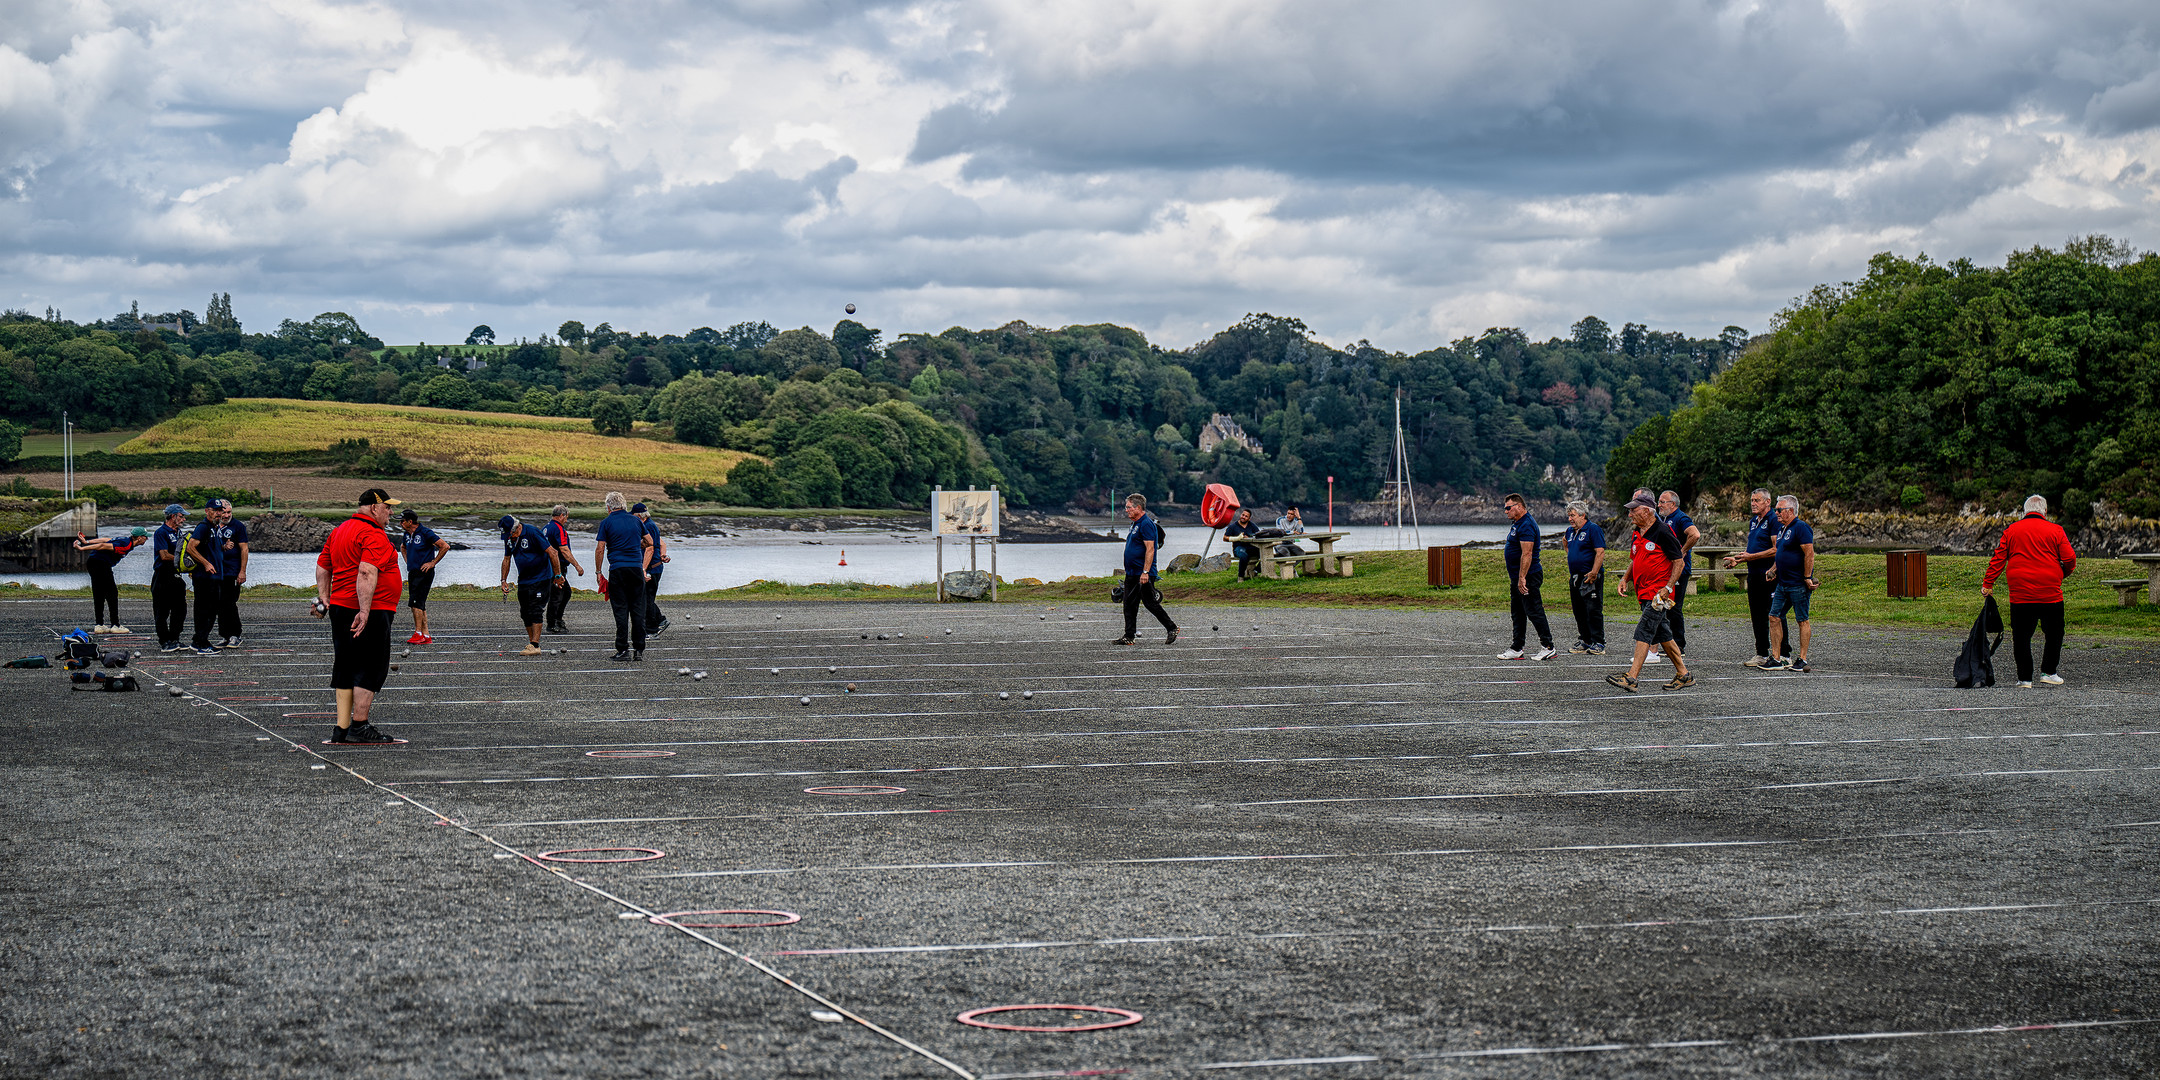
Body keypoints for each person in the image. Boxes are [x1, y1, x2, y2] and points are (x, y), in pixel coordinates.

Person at [315, 489, 402, 743]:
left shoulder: (340, 529)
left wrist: (324, 597)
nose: (391, 512)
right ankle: (359, 725)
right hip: (370, 609)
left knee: (346, 664)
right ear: (374, 508)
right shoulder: (372, 533)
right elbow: (366, 572)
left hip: (341, 606)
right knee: (372, 665)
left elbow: (323, 565)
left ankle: (341, 728)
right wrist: (364, 610)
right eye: (388, 507)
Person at [1983, 494, 2077, 688]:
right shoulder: (2056, 530)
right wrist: (2062, 574)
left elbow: (1998, 559)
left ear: (2024, 511)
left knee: (2021, 635)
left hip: (2021, 592)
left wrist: (1988, 583)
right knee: (2054, 632)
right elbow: (2070, 559)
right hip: (2050, 591)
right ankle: (2049, 672)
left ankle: (2024, 678)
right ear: (2045, 511)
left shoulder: (2012, 530)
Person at [1605, 493, 1693, 692]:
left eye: (1633, 510)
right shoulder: (1638, 531)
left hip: (1658, 594)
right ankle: (1683, 674)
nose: (1630, 515)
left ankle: (1631, 677)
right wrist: (1625, 578)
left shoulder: (1663, 531)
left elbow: (1678, 561)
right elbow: (1636, 559)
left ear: (1647, 511)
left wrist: (1668, 588)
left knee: (1644, 631)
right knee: (1664, 634)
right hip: (1644, 592)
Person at [1722, 489, 1788, 667]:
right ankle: (1761, 652)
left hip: (1770, 574)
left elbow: (1776, 548)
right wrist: (1738, 559)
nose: (1753, 503)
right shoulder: (1754, 521)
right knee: (1757, 614)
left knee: (1775, 613)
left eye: (1757, 500)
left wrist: (1751, 557)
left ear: (1768, 502)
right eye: (1752, 500)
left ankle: (1784, 652)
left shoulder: (1774, 520)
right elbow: (1752, 549)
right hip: (1754, 574)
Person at [592, 492, 654, 661]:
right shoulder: (636, 520)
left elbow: (600, 548)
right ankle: (639, 649)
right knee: (638, 609)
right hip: (635, 569)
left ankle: (623, 649)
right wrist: (636, 544)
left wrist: (598, 572)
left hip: (618, 569)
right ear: (624, 505)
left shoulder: (606, 522)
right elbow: (649, 542)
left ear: (608, 507)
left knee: (620, 610)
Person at [1497, 493, 1556, 660]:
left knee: (1534, 610)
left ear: (1519, 506)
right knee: (1518, 612)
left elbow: (1527, 553)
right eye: (1505, 508)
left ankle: (1548, 646)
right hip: (1517, 576)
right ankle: (1517, 647)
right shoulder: (1517, 524)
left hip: (1528, 576)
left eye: (1508, 508)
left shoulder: (1527, 525)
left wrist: (1522, 577)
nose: (1506, 511)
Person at [1113, 493, 1178, 646]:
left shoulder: (1146, 524)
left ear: (1138, 507)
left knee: (1150, 603)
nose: (1126, 510)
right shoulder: (1135, 523)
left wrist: (1146, 572)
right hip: (1132, 572)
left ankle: (1172, 627)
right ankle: (1129, 636)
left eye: (1129, 507)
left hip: (1142, 573)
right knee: (1129, 603)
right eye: (1126, 507)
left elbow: (1150, 549)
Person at [187, 498, 248, 653]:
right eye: (218, 511)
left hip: (223, 574)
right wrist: (204, 564)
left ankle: (219, 637)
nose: (221, 514)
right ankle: (202, 642)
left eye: (223, 511)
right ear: (207, 511)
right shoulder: (204, 527)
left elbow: (213, 547)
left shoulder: (220, 528)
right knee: (206, 609)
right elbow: (191, 547)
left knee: (221, 606)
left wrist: (224, 547)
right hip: (207, 576)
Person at [1763, 495, 1816, 673]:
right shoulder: (1782, 529)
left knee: (1802, 619)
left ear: (1791, 511)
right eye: (1776, 510)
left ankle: (1802, 659)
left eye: (1779, 510)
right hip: (1782, 583)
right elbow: (1782, 553)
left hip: (1797, 583)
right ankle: (1777, 658)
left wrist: (1807, 577)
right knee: (1774, 617)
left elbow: (1809, 553)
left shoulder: (1801, 528)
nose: (1776, 513)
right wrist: (1773, 569)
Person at [499, 515, 563, 656]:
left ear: (518, 528)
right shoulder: (509, 538)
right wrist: (503, 580)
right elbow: (506, 559)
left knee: (536, 609)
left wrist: (557, 576)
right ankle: (531, 643)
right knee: (525, 612)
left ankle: (535, 644)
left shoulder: (533, 532)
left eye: (512, 534)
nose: (511, 537)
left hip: (541, 578)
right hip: (524, 579)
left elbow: (553, 553)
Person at [74, 526, 148, 633]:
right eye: (145, 537)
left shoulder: (125, 540)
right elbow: (103, 545)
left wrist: (87, 541)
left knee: (99, 593)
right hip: (100, 564)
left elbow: (106, 539)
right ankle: (115, 625)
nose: (147, 539)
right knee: (112, 593)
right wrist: (82, 548)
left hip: (93, 562)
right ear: (139, 538)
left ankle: (99, 625)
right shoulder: (126, 545)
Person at [1657, 490, 1700, 660]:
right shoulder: (1663, 519)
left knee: (1674, 607)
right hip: (1666, 570)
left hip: (1680, 570)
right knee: (1665, 606)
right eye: (1658, 501)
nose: (1659, 505)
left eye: (1662, 502)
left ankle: (1679, 645)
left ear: (1673, 504)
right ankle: (1669, 643)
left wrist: (1682, 551)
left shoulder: (1681, 518)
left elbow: (1695, 534)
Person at [399, 508, 450, 644]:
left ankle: (418, 633)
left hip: (424, 572)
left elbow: (444, 546)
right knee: (418, 603)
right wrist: (407, 560)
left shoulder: (425, 532)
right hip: (413, 572)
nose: (400, 523)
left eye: (402, 521)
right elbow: (403, 547)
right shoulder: (406, 534)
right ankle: (426, 635)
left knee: (416, 602)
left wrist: (433, 562)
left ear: (410, 521)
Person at [1562, 501, 1605, 654]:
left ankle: (1598, 642)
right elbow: (1566, 543)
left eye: (1572, 515)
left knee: (1593, 609)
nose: (1570, 519)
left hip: (1590, 575)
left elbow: (1600, 552)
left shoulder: (1593, 529)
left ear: (1582, 515)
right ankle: (1585, 640)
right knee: (1578, 609)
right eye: (1569, 516)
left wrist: (1594, 571)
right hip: (1575, 576)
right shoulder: (1570, 531)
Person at [149, 504, 190, 652]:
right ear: (173, 516)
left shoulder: (180, 533)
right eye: (181, 516)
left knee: (180, 609)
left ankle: (175, 638)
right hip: (162, 575)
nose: (184, 519)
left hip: (176, 575)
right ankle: (164, 641)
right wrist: (183, 559)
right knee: (162, 610)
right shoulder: (161, 532)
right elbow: (164, 555)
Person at [544, 504, 584, 634]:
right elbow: (564, 550)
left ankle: (558, 619)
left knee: (565, 593)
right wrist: (577, 565)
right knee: (558, 594)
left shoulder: (546, 528)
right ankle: (552, 623)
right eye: (566, 517)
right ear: (561, 515)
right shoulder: (558, 529)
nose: (566, 520)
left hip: (548, 566)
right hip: (556, 567)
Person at [633, 502, 671, 636]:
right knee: (646, 598)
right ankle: (658, 621)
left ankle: (654, 627)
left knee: (646, 599)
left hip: (652, 569)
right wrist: (663, 554)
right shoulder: (648, 524)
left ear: (639, 516)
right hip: (654, 567)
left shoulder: (648, 526)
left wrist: (643, 569)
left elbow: (650, 549)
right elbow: (662, 543)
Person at [1224, 508, 1261, 580]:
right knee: (1244, 556)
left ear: (1249, 519)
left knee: (1265, 553)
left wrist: (1250, 537)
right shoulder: (1233, 526)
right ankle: (1240, 576)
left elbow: (1258, 535)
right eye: (1243, 515)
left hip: (1250, 547)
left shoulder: (1252, 525)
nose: (1243, 517)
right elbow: (1225, 538)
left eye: (1246, 516)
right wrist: (1237, 538)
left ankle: (1256, 571)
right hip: (1239, 548)